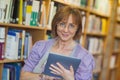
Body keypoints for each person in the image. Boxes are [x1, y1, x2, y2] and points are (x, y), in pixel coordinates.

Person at [20, 5, 95, 80]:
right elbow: (23, 76)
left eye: (71, 26)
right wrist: (43, 76)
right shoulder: (40, 46)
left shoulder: (85, 58)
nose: (65, 30)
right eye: (62, 24)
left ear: (77, 29)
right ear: (56, 25)